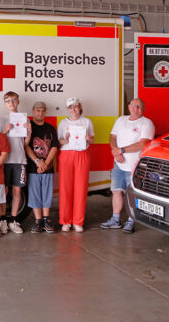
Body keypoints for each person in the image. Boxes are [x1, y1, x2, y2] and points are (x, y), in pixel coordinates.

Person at [101, 98, 155, 234]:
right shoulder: (121, 120)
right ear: (129, 106)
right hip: (119, 164)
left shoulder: (146, 123)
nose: (136, 108)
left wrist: (121, 150)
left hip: (136, 166)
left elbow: (143, 144)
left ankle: (131, 221)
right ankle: (115, 220)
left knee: (133, 194)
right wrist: (115, 151)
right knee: (116, 191)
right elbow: (112, 137)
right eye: (134, 105)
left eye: (140, 106)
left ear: (144, 109)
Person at [57, 97, 95, 233]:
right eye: (70, 107)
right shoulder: (62, 123)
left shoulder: (87, 122)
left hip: (82, 154)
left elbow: (92, 139)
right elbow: (60, 141)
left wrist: (89, 138)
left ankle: (78, 221)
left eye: (75, 106)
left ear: (80, 106)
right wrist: (65, 139)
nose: (73, 109)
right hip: (66, 155)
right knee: (65, 188)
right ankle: (65, 221)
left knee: (81, 188)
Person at [0, 91, 31, 234]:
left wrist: (29, 130)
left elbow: (25, 144)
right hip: (5, 161)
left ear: (18, 102)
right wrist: (4, 131)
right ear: (5, 103)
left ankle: (14, 220)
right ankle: (3, 219)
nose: (11, 103)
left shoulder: (24, 118)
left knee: (17, 190)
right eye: (8, 101)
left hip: (19, 159)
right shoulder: (1, 120)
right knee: (4, 191)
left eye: (14, 100)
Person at [25, 102, 59, 234]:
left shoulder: (50, 128)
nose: (40, 113)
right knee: (35, 195)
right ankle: (38, 221)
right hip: (33, 168)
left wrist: (46, 164)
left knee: (47, 194)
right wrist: (38, 161)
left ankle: (46, 220)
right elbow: (26, 146)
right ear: (33, 111)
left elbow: (54, 147)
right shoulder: (29, 127)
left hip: (47, 168)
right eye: (38, 111)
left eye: (43, 111)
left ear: (45, 112)